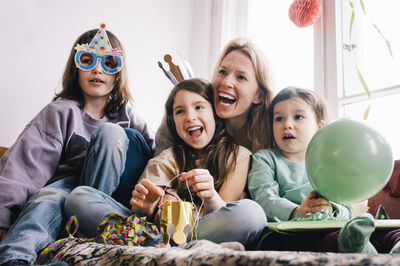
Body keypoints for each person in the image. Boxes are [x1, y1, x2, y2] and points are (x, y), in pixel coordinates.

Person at [0, 24, 154, 266]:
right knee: (47, 198)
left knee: (111, 133)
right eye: (87, 60)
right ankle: (15, 259)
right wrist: (3, 217)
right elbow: (23, 167)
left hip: (116, 202)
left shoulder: (130, 118)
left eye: (109, 63)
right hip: (69, 190)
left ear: (118, 73)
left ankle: (83, 239)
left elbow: (160, 159)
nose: (97, 69)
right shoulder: (60, 112)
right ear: (76, 67)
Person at [64, 78, 267, 248]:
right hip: (152, 232)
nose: (190, 117)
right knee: (78, 197)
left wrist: (211, 196)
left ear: (214, 113)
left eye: (199, 107)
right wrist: (148, 207)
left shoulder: (238, 155)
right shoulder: (166, 159)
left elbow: (224, 211)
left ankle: (164, 245)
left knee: (253, 213)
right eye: (180, 111)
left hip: (202, 228)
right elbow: (141, 215)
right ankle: (172, 246)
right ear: (173, 122)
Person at [247, 87, 356, 252]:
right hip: (283, 234)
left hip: (328, 227)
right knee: (330, 242)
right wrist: (297, 211)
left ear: (320, 127)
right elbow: (264, 198)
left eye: (298, 117)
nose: (287, 125)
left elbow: (347, 208)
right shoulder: (265, 158)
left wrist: (331, 209)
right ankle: (356, 246)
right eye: (279, 119)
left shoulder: (330, 163)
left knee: (377, 232)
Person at [155, 37, 275, 155]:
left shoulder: (274, 133)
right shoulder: (184, 112)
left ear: (259, 95)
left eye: (241, 77)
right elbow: (159, 164)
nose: (226, 82)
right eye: (222, 72)